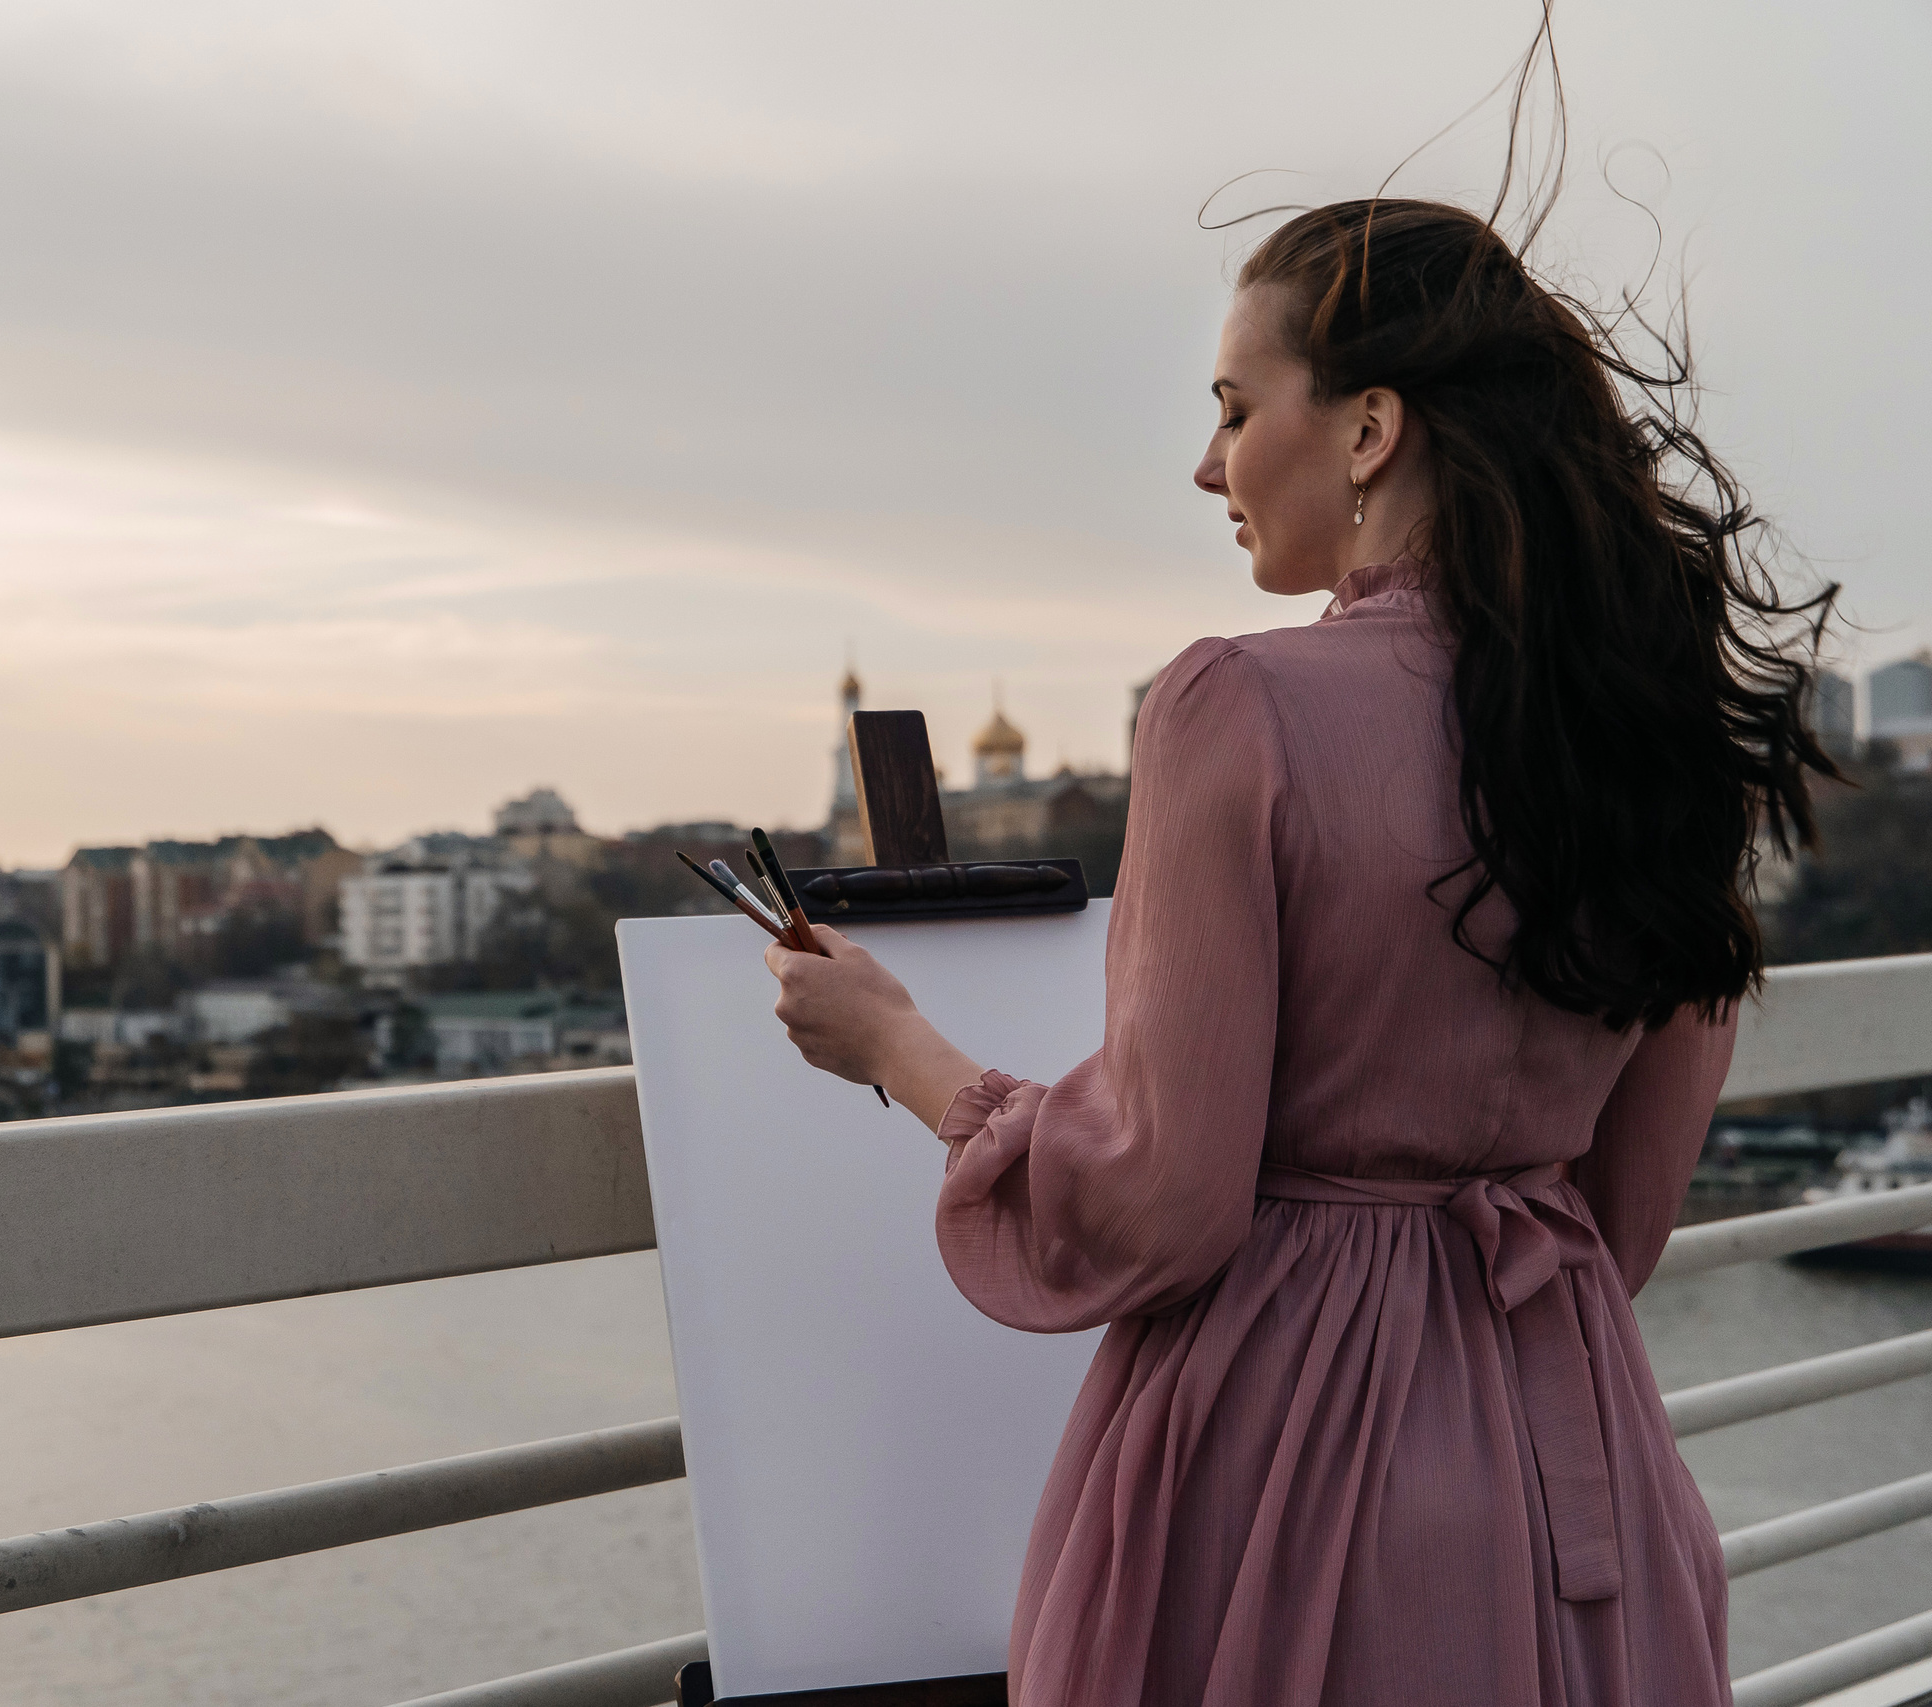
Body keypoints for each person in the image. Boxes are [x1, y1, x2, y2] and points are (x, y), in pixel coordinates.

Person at [763, 196, 1839, 1706]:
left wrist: (901, 1052)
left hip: (1288, 1469)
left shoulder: (1236, 709)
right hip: (1570, 1452)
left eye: (1234, 408)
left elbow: (1161, 1194)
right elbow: (1623, 1219)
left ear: (1369, 430)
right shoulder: (1650, 737)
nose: (1210, 464)